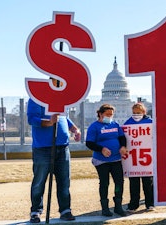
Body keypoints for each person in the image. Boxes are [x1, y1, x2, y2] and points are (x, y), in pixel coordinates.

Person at [27, 78, 81, 223]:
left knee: (64, 181)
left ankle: (65, 210)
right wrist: (48, 122)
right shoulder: (36, 98)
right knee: (39, 181)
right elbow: (31, 119)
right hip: (43, 148)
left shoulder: (62, 98)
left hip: (63, 146)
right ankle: (35, 212)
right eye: (60, 83)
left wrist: (74, 128)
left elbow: (65, 118)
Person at [85, 104, 128, 217]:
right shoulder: (94, 127)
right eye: (107, 114)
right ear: (100, 114)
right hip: (101, 160)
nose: (109, 116)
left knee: (119, 182)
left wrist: (123, 146)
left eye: (111, 114)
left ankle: (118, 205)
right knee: (104, 183)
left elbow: (121, 137)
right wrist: (102, 149)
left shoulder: (115, 124)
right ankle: (105, 207)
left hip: (116, 159)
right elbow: (89, 143)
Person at [124, 103, 155, 212]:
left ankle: (150, 203)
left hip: (147, 158)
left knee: (148, 183)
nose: (136, 115)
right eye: (134, 113)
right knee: (134, 184)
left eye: (138, 113)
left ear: (144, 112)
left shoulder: (151, 122)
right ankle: (133, 205)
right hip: (134, 159)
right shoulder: (128, 123)